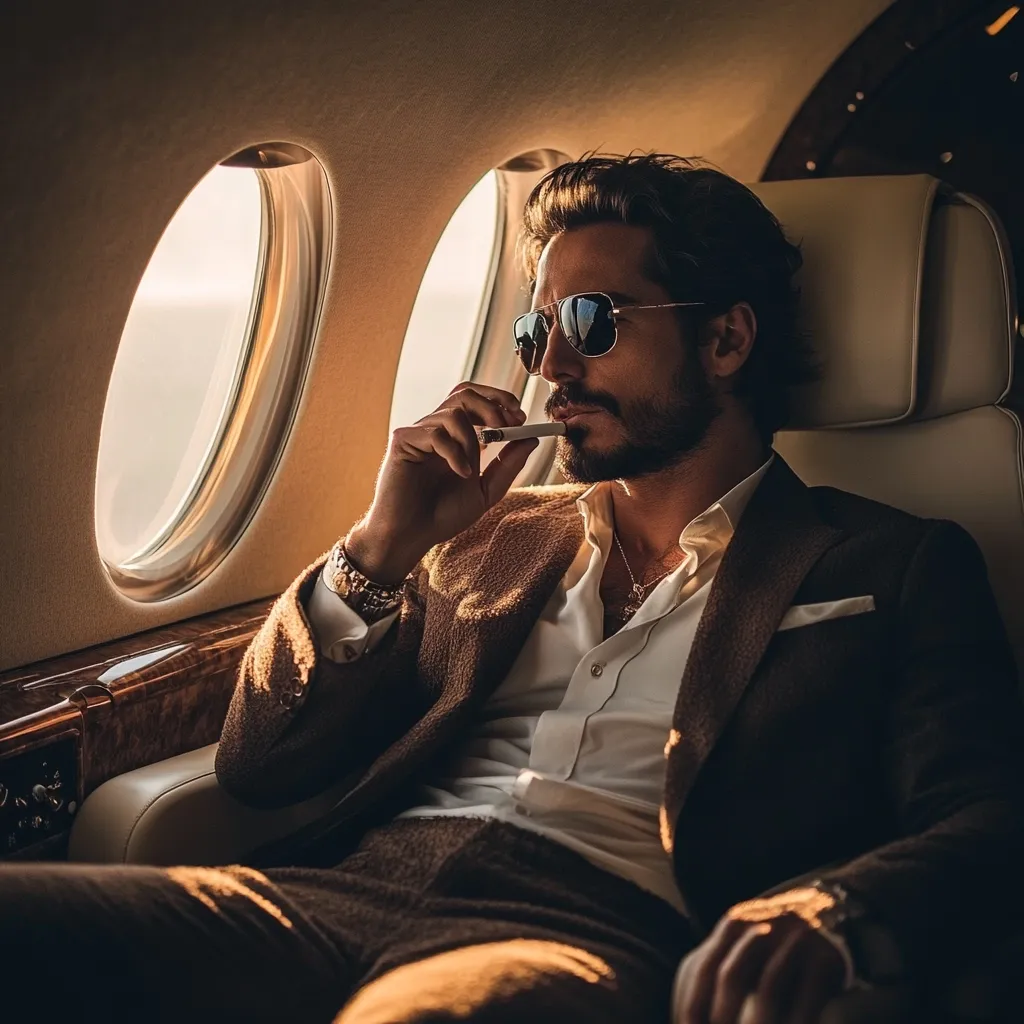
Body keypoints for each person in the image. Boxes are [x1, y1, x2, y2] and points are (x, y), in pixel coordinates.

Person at [5, 154, 1024, 1024]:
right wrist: (384, 543)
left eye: (592, 321)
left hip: (592, 932)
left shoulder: (890, 564)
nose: (551, 370)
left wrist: (834, 907)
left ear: (725, 341)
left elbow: (984, 813)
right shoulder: (493, 536)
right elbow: (260, 763)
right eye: (538, 334)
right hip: (332, 893)